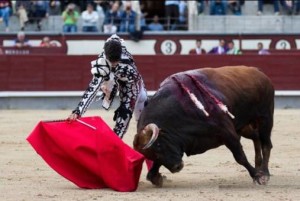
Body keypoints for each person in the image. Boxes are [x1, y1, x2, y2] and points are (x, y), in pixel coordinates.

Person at [67, 34, 148, 139]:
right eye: (112, 62)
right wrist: (77, 111)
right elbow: (92, 89)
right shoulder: (102, 64)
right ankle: (115, 144)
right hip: (109, 82)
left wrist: (118, 133)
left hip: (130, 84)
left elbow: (129, 98)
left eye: (116, 61)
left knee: (134, 116)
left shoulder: (128, 67)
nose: (114, 64)